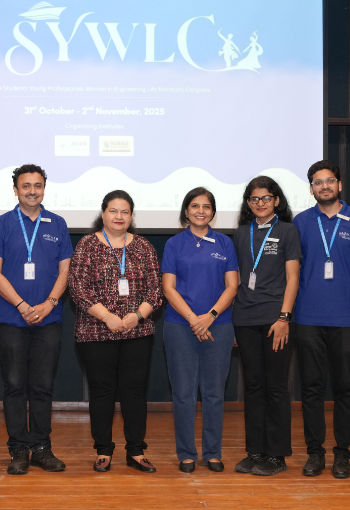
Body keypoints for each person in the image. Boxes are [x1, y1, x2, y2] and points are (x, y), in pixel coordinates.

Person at [0, 164, 73, 475]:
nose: (32, 191)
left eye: (37, 186)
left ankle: (42, 448)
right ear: (16, 190)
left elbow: (66, 271)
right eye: (26, 186)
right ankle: (18, 450)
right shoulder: (2, 224)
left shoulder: (58, 223)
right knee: (13, 386)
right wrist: (22, 305)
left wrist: (49, 304)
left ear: (44, 189)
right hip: (11, 317)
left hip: (48, 319)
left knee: (43, 386)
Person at [292, 160, 350, 479]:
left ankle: (342, 453)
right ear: (311, 188)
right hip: (307, 317)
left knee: (346, 388)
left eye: (329, 181)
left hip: (349, 318)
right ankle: (315, 452)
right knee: (311, 388)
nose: (324, 186)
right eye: (318, 182)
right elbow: (292, 272)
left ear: (339, 185)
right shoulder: (300, 222)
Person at [69, 190, 163, 473]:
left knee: (135, 392)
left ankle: (136, 451)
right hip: (95, 331)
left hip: (138, 332)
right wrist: (108, 317)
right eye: (113, 211)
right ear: (103, 214)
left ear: (131, 216)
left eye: (125, 211)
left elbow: (155, 290)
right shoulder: (87, 245)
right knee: (102, 392)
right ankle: (103, 451)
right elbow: (78, 288)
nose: (119, 216)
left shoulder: (144, 246)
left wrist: (137, 316)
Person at [162, 187, 239, 474]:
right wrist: (195, 320)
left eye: (206, 206)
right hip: (180, 325)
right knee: (183, 393)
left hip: (219, 325)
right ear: (186, 211)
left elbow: (232, 285)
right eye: (195, 206)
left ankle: (212, 453)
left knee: (214, 393)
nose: (201, 211)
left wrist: (211, 316)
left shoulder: (225, 243)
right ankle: (186, 453)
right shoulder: (174, 244)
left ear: (213, 212)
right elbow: (168, 288)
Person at [231, 176, 301, 477]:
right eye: (254, 199)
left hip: (275, 319)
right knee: (253, 386)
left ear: (276, 201)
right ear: (248, 203)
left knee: (276, 386)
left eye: (266, 198)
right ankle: (255, 451)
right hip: (245, 318)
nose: (260, 203)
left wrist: (284, 318)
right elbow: (234, 278)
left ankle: (276, 454)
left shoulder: (287, 231)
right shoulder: (240, 233)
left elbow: (293, 278)